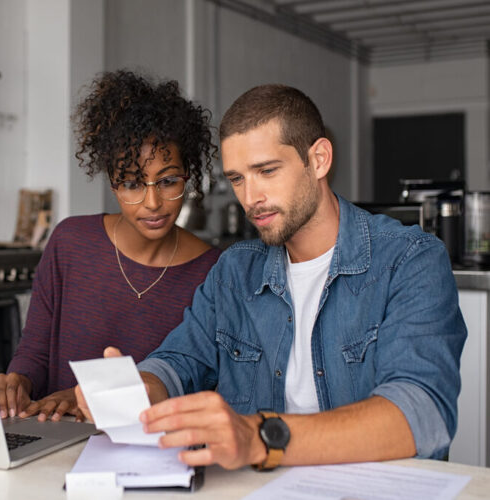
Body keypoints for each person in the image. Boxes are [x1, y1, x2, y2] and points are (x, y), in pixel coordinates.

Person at [77, 84, 467, 469]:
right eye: (237, 178)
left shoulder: (410, 259)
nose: (250, 197)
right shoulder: (234, 271)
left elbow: (422, 413)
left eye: (266, 171)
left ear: (319, 159)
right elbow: (179, 360)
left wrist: (262, 437)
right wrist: (140, 388)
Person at [0, 70, 222, 422]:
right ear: (113, 184)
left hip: (148, 452)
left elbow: (197, 383)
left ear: (188, 177)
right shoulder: (70, 242)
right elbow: (35, 351)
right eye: (132, 183)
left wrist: (84, 397)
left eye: (168, 181)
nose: (152, 202)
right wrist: (18, 382)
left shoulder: (213, 271)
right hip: (53, 438)